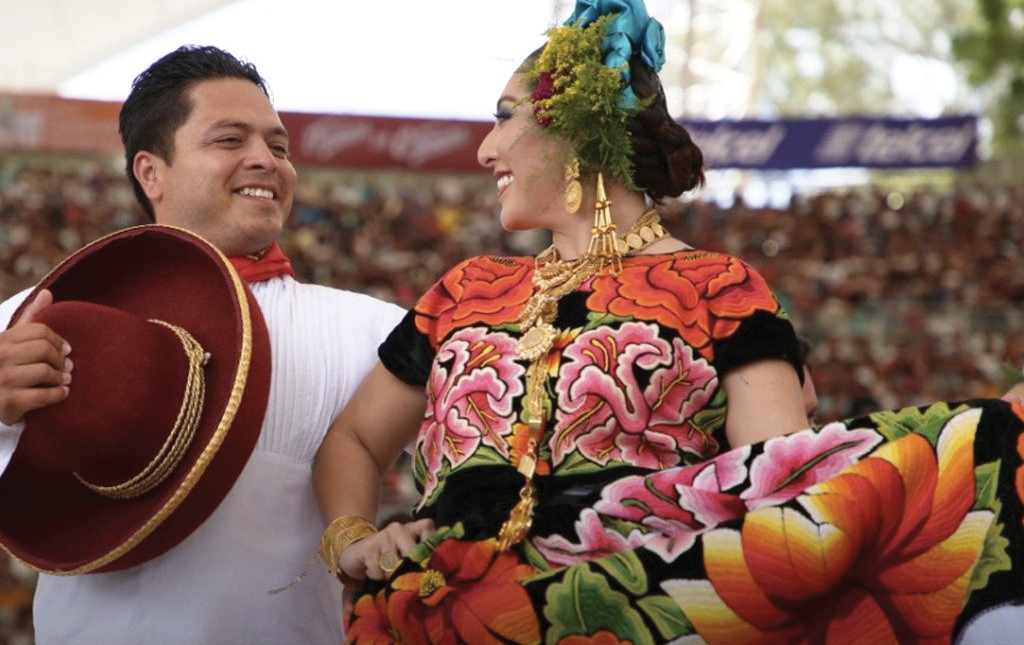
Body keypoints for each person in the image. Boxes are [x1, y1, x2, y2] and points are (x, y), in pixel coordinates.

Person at [313, 2, 1024, 643]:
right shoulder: (464, 289)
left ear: (575, 127)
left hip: (629, 616)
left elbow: (785, 488)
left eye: (504, 116)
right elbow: (353, 439)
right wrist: (353, 537)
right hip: (433, 618)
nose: (484, 149)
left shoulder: (720, 288)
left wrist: (972, 445)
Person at [0, 45, 404, 644]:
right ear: (151, 173)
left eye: (280, 147)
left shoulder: (374, 331)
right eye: (230, 140)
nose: (265, 160)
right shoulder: (55, 311)